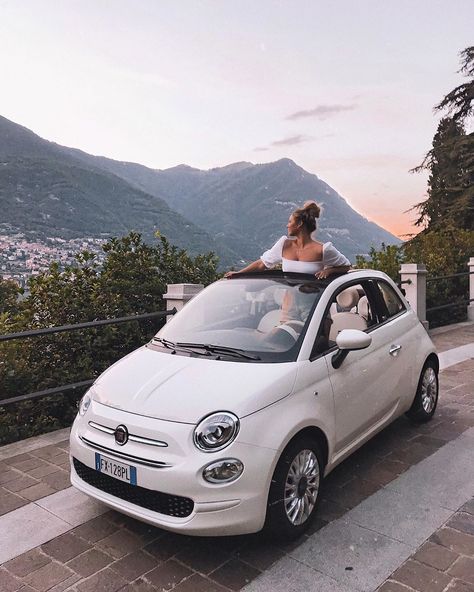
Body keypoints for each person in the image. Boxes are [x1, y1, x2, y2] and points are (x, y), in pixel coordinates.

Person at [224, 201, 350, 279]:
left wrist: (330, 270)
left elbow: (346, 266)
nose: (287, 225)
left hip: (315, 307)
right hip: (289, 307)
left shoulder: (323, 250)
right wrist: (238, 274)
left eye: (290, 222)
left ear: (299, 224)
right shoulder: (284, 245)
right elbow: (262, 264)